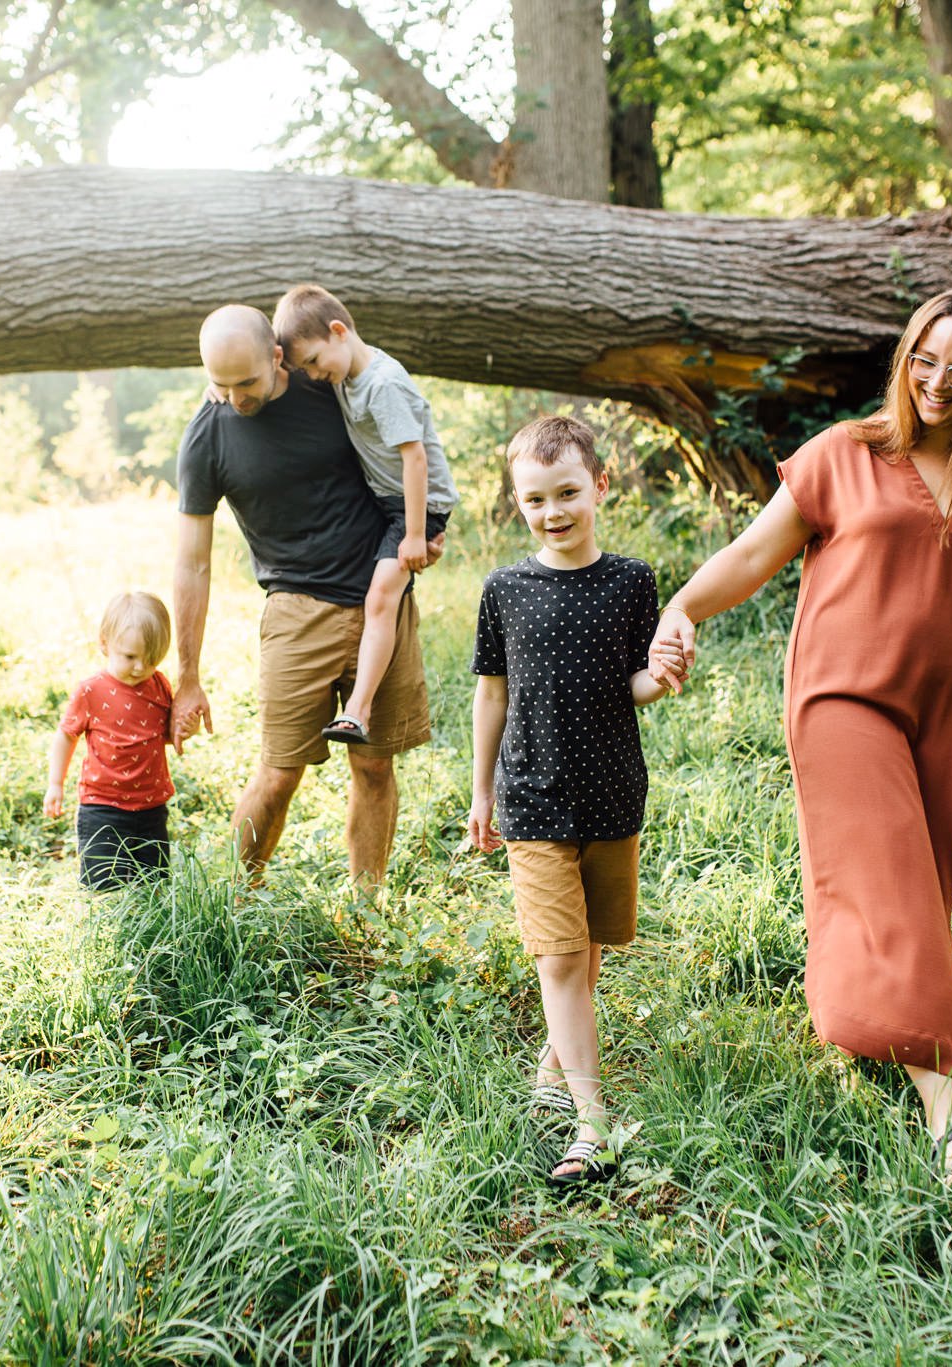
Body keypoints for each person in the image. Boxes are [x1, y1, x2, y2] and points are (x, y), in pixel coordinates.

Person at [647, 287, 952, 1197]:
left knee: (912, 879)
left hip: (944, 712)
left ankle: (858, 1019)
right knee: (894, 881)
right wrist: (678, 606)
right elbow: (754, 556)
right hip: (841, 698)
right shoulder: (847, 454)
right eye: (923, 358)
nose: (937, 381)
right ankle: (948, 1122)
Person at [467, 414, 682, 1186]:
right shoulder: (505, 589)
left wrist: (665, 674)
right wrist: (480, 789)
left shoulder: (631, 581)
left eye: (566, 493)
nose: (552, 511)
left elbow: (637, 681)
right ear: (516, 502)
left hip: (612, 792)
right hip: (531, 796)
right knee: (559, 956)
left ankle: (555, 1065)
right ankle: (593, 1122)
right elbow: (492, 695)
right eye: (534, 499)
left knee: (588, 951)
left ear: (600, 485)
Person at [171, 304, 437, 887]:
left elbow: (403, 454)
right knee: (279, 770)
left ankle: (369, 912)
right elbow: (192, 562)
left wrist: (421, 534)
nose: (237, 398)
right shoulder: (207, 437)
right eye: (221, 384)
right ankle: (230, 902)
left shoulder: (329, 387)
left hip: (379, 601)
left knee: (373, 763)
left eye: (248, 382)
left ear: (277, 357)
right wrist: (187, 674)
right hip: (295, 612)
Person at [271, 284, 458, 747]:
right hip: (386, 499)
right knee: (379, 596)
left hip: (415, 504)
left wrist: (415, 534)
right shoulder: (343, 374)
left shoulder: (383, 383)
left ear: (339, 331)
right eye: (305, 368)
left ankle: (360, 709)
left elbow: (415, 459)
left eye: (314, 361)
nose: (313, 375)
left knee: (380, 600)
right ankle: (359, 708)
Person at [44, 591, 178, 890]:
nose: (140, 668)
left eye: (152, 659)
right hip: (102, 807)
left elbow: (165, 735)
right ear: (104, 643)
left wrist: (187, 727)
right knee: (103, 887)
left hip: (151, 807)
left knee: (153, 888)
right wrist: (56, 783)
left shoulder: (158, 685)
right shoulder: (91, 691)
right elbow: (66, 735)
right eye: (130, 657)